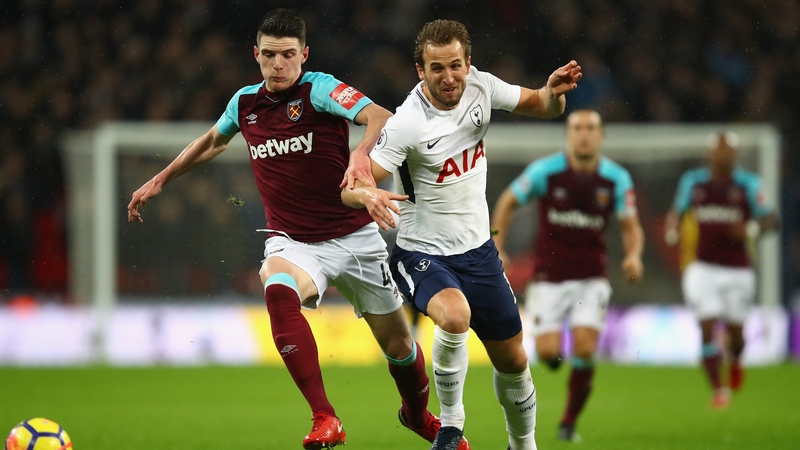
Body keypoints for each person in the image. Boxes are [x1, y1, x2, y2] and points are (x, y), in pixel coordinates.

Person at [127, 9, 466, 450]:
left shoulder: (319, 89)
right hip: (294, 241)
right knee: (278, 287)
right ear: (256, 55)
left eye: (288, 55)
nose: (278, 65)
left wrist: (361, 153)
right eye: (269, 55)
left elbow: (380, 116)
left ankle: (418, 417)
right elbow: (212, 141)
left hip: (355, 235)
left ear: (304, 55)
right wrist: (160, 179)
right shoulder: (244, 103)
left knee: (400, 346)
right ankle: (325, 416)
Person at [342, 19, 582, 450]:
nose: (448, 77)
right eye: (437, 68)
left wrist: (552, 93)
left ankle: (522, 444)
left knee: (514, 361)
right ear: (420, 70)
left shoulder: (482, 87)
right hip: (423, 253)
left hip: (480, 254)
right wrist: (366, 197)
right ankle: (451, 428)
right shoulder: (406, 123)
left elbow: (542, 106)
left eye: (455, 65)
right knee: (454, 317)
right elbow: (353, 189)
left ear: (468, 63)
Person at [490, 109, 644, 442]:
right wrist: (497, 245)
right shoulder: (547, 171)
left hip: (591, 277)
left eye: (591, 128)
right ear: (568, 135)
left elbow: (630, 225)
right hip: (549, 275)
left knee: (586, 349)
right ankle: (556, 362)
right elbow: (507, 201)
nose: (584, 134)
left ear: (601, 136)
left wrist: (633, 255)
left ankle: (568, 422)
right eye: (578, 128)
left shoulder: (616, 178)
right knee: (547, 353)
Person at [664, 131, 778, 409]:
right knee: (706, 327)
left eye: (727, 150)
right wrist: (672, 230)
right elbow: (676, 213)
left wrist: (750, 228)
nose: (722, 154)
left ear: (735, 154)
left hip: (739, 269)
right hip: (701, 267)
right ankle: (718, 390)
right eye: (718, 149)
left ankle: (736, 359)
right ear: (709, 153)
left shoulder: (749, 184)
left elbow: (771, 219)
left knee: (736, 335)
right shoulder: (693, 182)